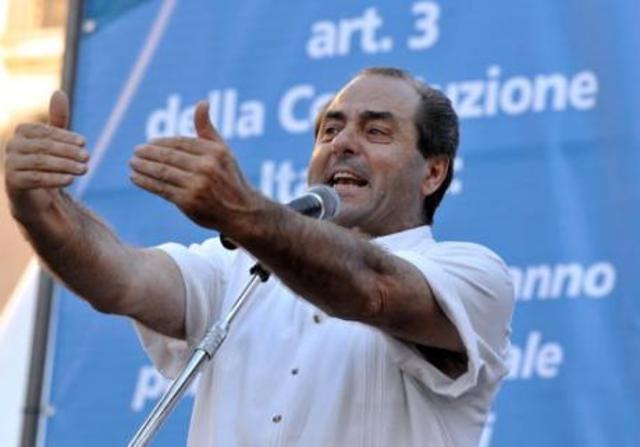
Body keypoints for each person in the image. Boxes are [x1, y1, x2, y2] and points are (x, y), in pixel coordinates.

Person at [4, 67, 514, 446]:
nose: (342, 144)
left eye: (376, 131)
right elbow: (120, 279)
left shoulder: (471, 275)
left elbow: (371, 289)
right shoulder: (236, 267)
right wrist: (42, 210)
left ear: (433, 173)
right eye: (330, 130)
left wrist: (241, 212)